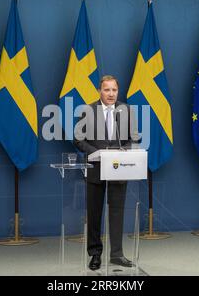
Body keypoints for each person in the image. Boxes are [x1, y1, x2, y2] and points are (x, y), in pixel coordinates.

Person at [74, 75, 139, 271]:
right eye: (107, 90)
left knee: (117, 212)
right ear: (99, 91)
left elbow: (133, 139)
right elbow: (78, 139)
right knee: (95, 213)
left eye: (114, 90)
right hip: (95, 168)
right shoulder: (88, 111)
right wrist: (97, 153)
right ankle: (95, 254)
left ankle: (117, 254)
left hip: (119, 168)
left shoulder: (126, 110)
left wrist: (125, 150)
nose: (111, 94)